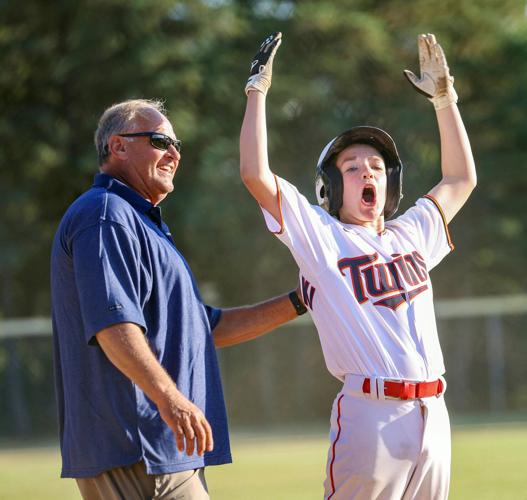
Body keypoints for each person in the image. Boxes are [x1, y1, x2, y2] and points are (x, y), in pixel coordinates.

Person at [240, 32, 476, 499]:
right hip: (372, 413)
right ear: (330, 186)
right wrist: (257, 92)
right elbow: (255, 174)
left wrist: (446, 100)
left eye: (377, 166)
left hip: (434, 410)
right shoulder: (322, 238)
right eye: (351, 166)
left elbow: (460, 178)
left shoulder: (412, 233)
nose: (368, 171)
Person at [50, 98, 308, 500]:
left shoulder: (139, 222)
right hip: (137, 445)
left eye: (177, 145)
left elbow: (205, 328)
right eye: (159, 140)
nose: (174, 153)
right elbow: (112, 326)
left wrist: (301, 299)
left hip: (162, 446)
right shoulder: (105, 214)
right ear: (117, 146)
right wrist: (171, 400)